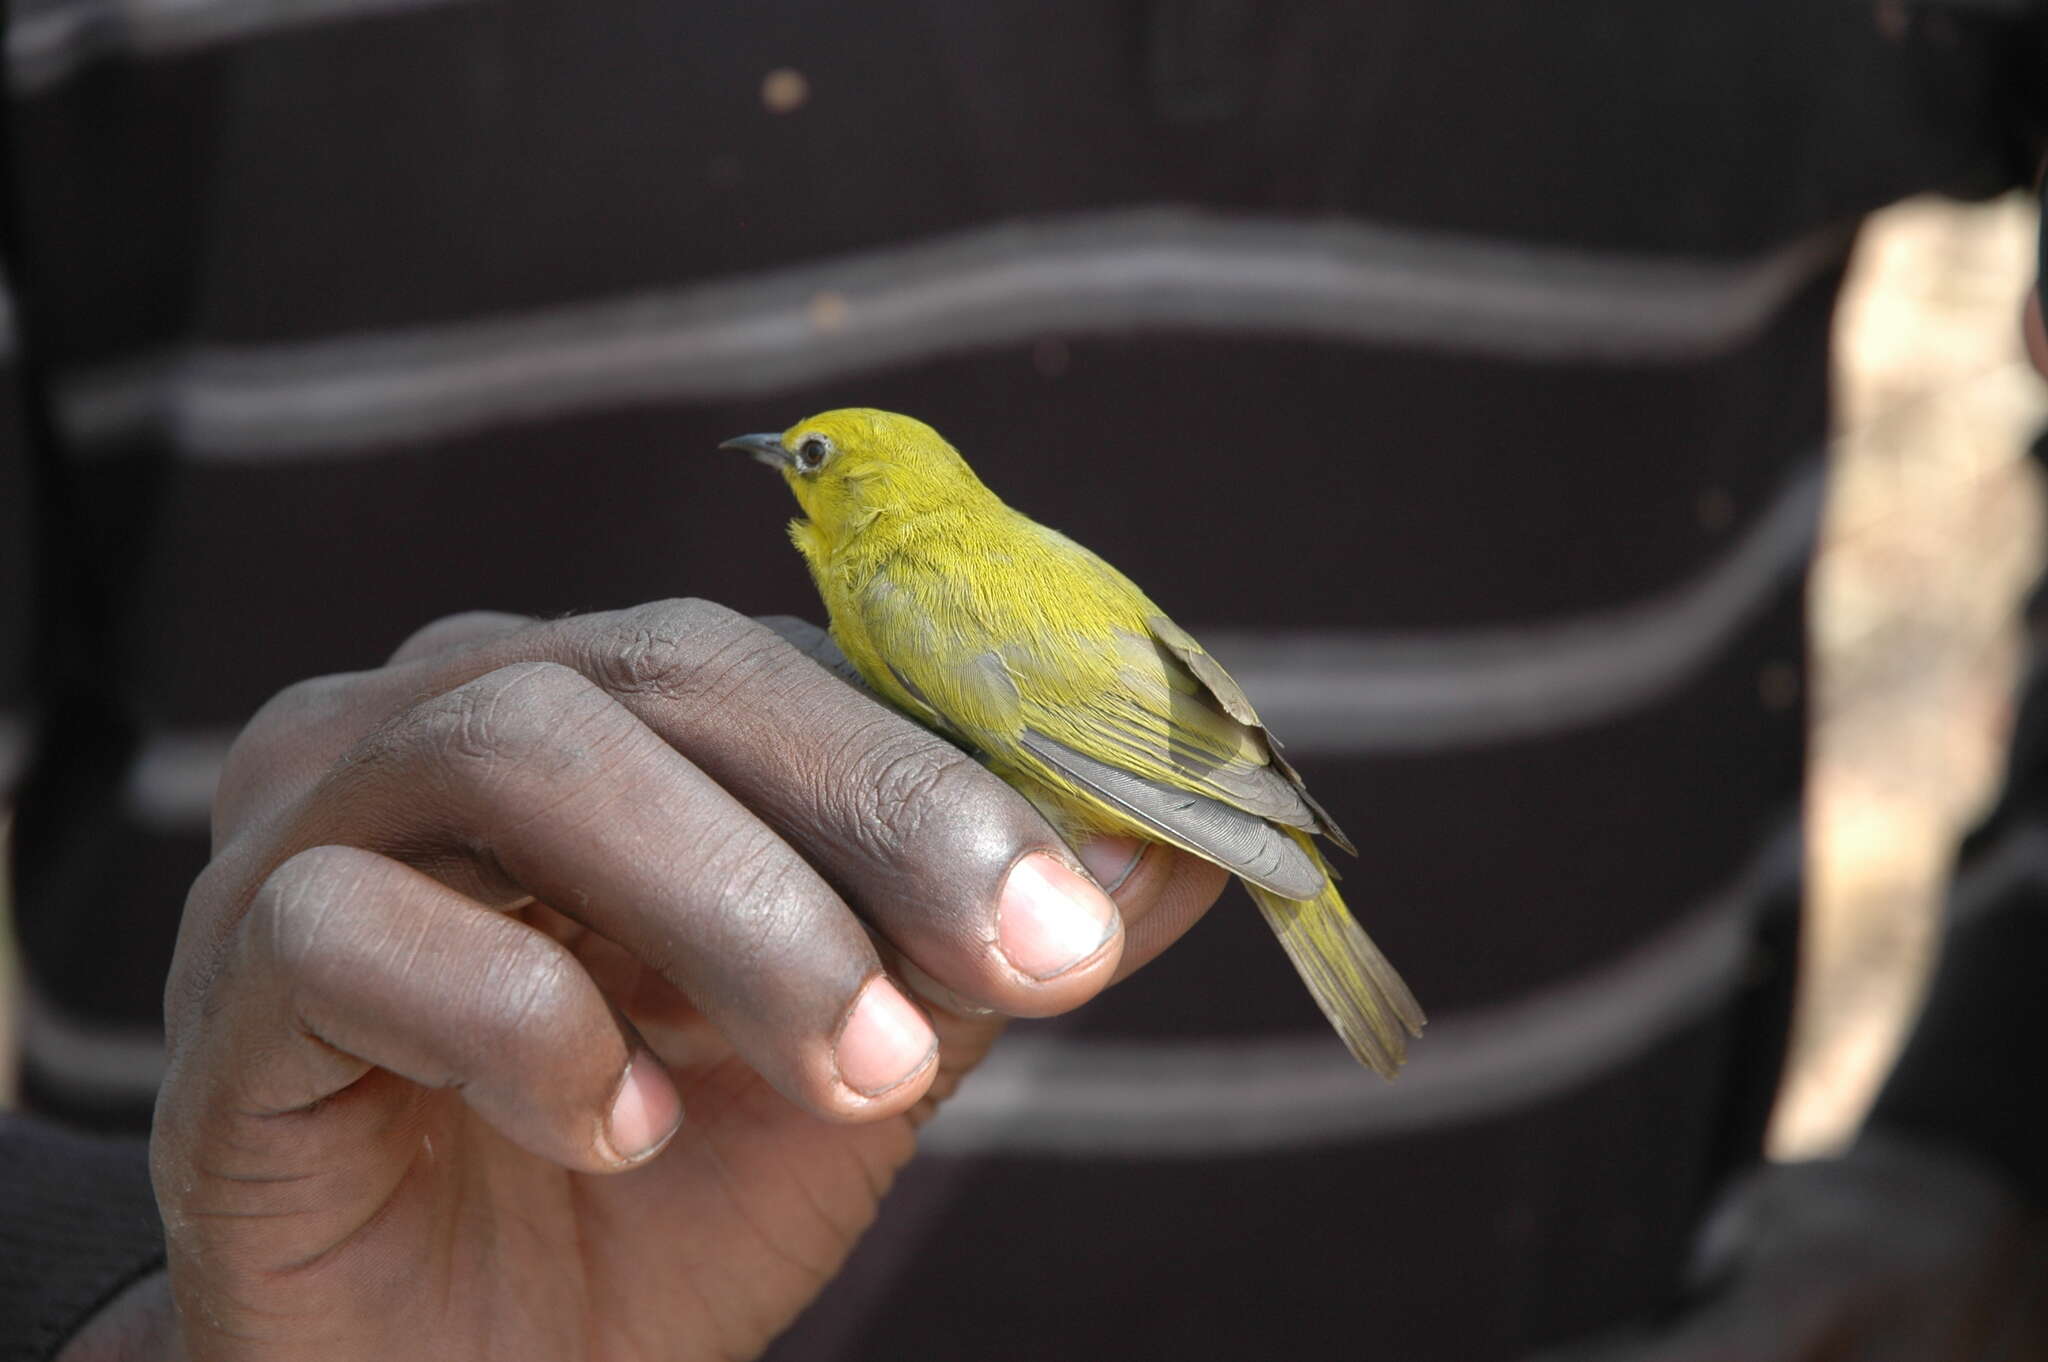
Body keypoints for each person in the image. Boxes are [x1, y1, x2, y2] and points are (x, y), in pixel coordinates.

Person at [4, 2, 2046, 1358]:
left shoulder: (904, 596)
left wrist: (2007, 1139)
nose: (791, 476)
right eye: (799, 455)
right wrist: (123, 1305)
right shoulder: (918, 571)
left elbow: (1060, 713)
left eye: (812, 461)